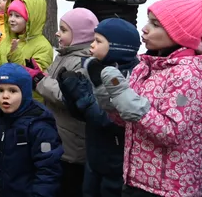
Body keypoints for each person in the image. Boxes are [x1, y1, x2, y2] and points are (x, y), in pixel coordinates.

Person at [96, 0, 202, 197]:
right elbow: (129, 123)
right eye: (148, 21)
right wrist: (112, 103)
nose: (145, 28)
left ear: (180, 33)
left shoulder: (188, 76)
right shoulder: (145, 67)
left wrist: (131, 103)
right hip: (136, 180)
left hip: (169, 189)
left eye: (156, 24)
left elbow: (171, 132)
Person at [59, 18, 141, 197]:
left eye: (98, 41)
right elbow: (84, 115)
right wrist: (69, 91)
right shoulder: (94, 68)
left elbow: (110, 120)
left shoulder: (130, 77)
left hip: (116, 161)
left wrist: (82, 97)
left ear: (117, 47)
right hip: (94, 155)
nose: (92, 45)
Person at [32, 8, 98, 195]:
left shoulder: (85, 62)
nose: (57, 32)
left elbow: (69, 96)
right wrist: (41, 75)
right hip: (58, 136)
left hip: (72, 144)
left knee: (70, 187)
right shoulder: (64, 55)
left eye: (63, 29)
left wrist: (40, 81)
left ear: (80, 34)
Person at [0, 63, 64, 197]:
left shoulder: (39, 126)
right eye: (0, 90)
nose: (5, 96)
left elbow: (48, 170)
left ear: (25, 92)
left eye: (13, 91)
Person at [0, 0, 54, 102]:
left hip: (27, 107)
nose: (11, 20)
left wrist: (15, 55)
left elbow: (32, 79)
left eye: (17, 16)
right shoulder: (8, 40)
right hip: (4, 104)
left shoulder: (43, 47)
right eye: (10, 15)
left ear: (31, 19)